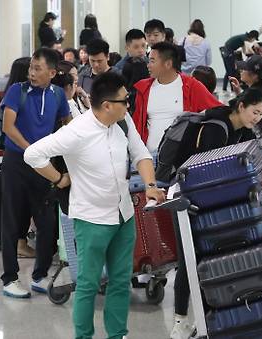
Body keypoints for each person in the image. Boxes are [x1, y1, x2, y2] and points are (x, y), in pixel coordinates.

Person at [24, 71, 165, 339]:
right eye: (125, 101)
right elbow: (33, 154)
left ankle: (117, 334)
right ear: (107, 105)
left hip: (123, 216)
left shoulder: (123, 122)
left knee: (121, 282)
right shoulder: (77, 131)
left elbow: (141, 153)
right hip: (91, 219)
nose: (130, 105)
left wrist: (149, 185)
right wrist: (60, 179)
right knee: (88, 285)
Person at [169, 89, 262, 339]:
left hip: (210, 201)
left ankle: (209, 318)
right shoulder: (216, 128)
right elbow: (202, 173)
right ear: (241, 106)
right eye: (254, 112)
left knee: (209, 258)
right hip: (184, 198)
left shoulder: (242, 132)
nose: (257, 118)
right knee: (188, 260)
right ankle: (180, 322)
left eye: (261, 114)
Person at [0, 48, 70, 299]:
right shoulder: (16, 91)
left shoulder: (59, 94)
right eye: (31, 67)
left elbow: (68, 125)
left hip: (44, 166)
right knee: (12, 222)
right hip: (17, 162)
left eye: (38, 68)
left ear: (52, 72)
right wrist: (32, 151)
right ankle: (9, 279)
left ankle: (40, 275)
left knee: (47, 222)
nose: (31, 72)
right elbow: (8, 127)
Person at [132, 42, 220, 153]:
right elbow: (136, 124)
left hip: (180, 157)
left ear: (168, 64)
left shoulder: (191, 86)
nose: (148, 65)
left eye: (152, 61)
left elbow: (218, 110)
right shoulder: (144, 89)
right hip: (150, 155)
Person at [0, 57, 37, 258]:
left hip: (17, 156)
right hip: (20, 156)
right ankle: (19, 245)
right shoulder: (19, 96)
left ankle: (19, 244)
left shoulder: (13, 95)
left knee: (19, 203)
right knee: (20, 204)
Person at [230, 55, 262, 162]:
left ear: (254, 76)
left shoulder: (256, 94)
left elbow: (241, 116)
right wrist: (239, 93)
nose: (241, 71)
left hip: (257, 152)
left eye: (244, 69)